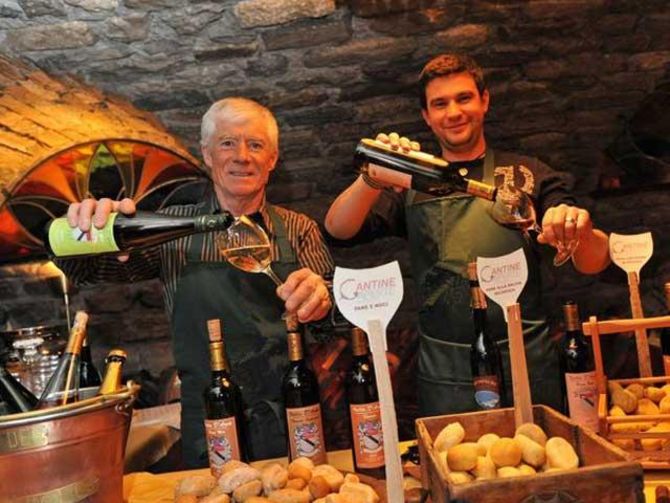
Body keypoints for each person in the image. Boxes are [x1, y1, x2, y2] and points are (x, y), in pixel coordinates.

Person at [325, 53, 610, 416]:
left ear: (484, 101)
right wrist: (371, 178)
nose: (454, 112)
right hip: (446, 368)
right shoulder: (412, 183)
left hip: (525, 356)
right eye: (440, 104)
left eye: (464, 98)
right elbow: (338, 231)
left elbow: (593, 262)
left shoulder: (528, 173)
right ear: (427, 116)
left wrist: (575, 225)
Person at [60, 97, 334, 465]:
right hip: (208, 416)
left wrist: (324, 299)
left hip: (291, 412)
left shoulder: (300, 229)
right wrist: (88, 235)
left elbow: (338, 320)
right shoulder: (170, 228)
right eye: (227, 143)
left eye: (255, 145)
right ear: (206, 154)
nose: (242, 156)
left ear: (272, 159)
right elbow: (93, 273)